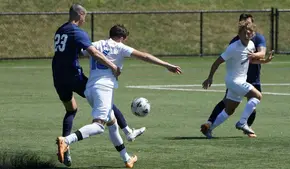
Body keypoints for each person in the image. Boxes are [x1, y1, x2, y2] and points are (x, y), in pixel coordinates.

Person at [56, 24, 182, 168]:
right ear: (123, 38)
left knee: (112, 123)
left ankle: (127, 159)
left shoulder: (95, 44)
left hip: (90, 88)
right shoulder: (120, 47)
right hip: (103, 89)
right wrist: (167, 65)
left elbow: (77, 53)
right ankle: (66, 141)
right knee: (98, 126)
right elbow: (145, 56)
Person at [52, 4, 145, 167]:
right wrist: (113, 66)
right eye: (84, 17)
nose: (84, 20)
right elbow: (93, 52)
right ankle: (66, 141)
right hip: (74, 75)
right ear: (80, 15)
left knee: (72, 109)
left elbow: (77, 52)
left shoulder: (60, 30)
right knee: (103, 104)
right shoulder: (77, 31)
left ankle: (126, 156)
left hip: (58, 76)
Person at [200, 13, 274, 139]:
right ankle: (242, 123)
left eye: (250, 31)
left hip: (238, 81)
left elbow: (250, 60)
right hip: (234, 81)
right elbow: (217, 62)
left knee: (229, 110)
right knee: (257, 96)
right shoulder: (233, 47)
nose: (248, 33)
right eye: (245, 31)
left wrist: (265, 61)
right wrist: (210, 77)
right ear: (239, 33)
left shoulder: (251, 45)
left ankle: (208, 129)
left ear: (253, 33)